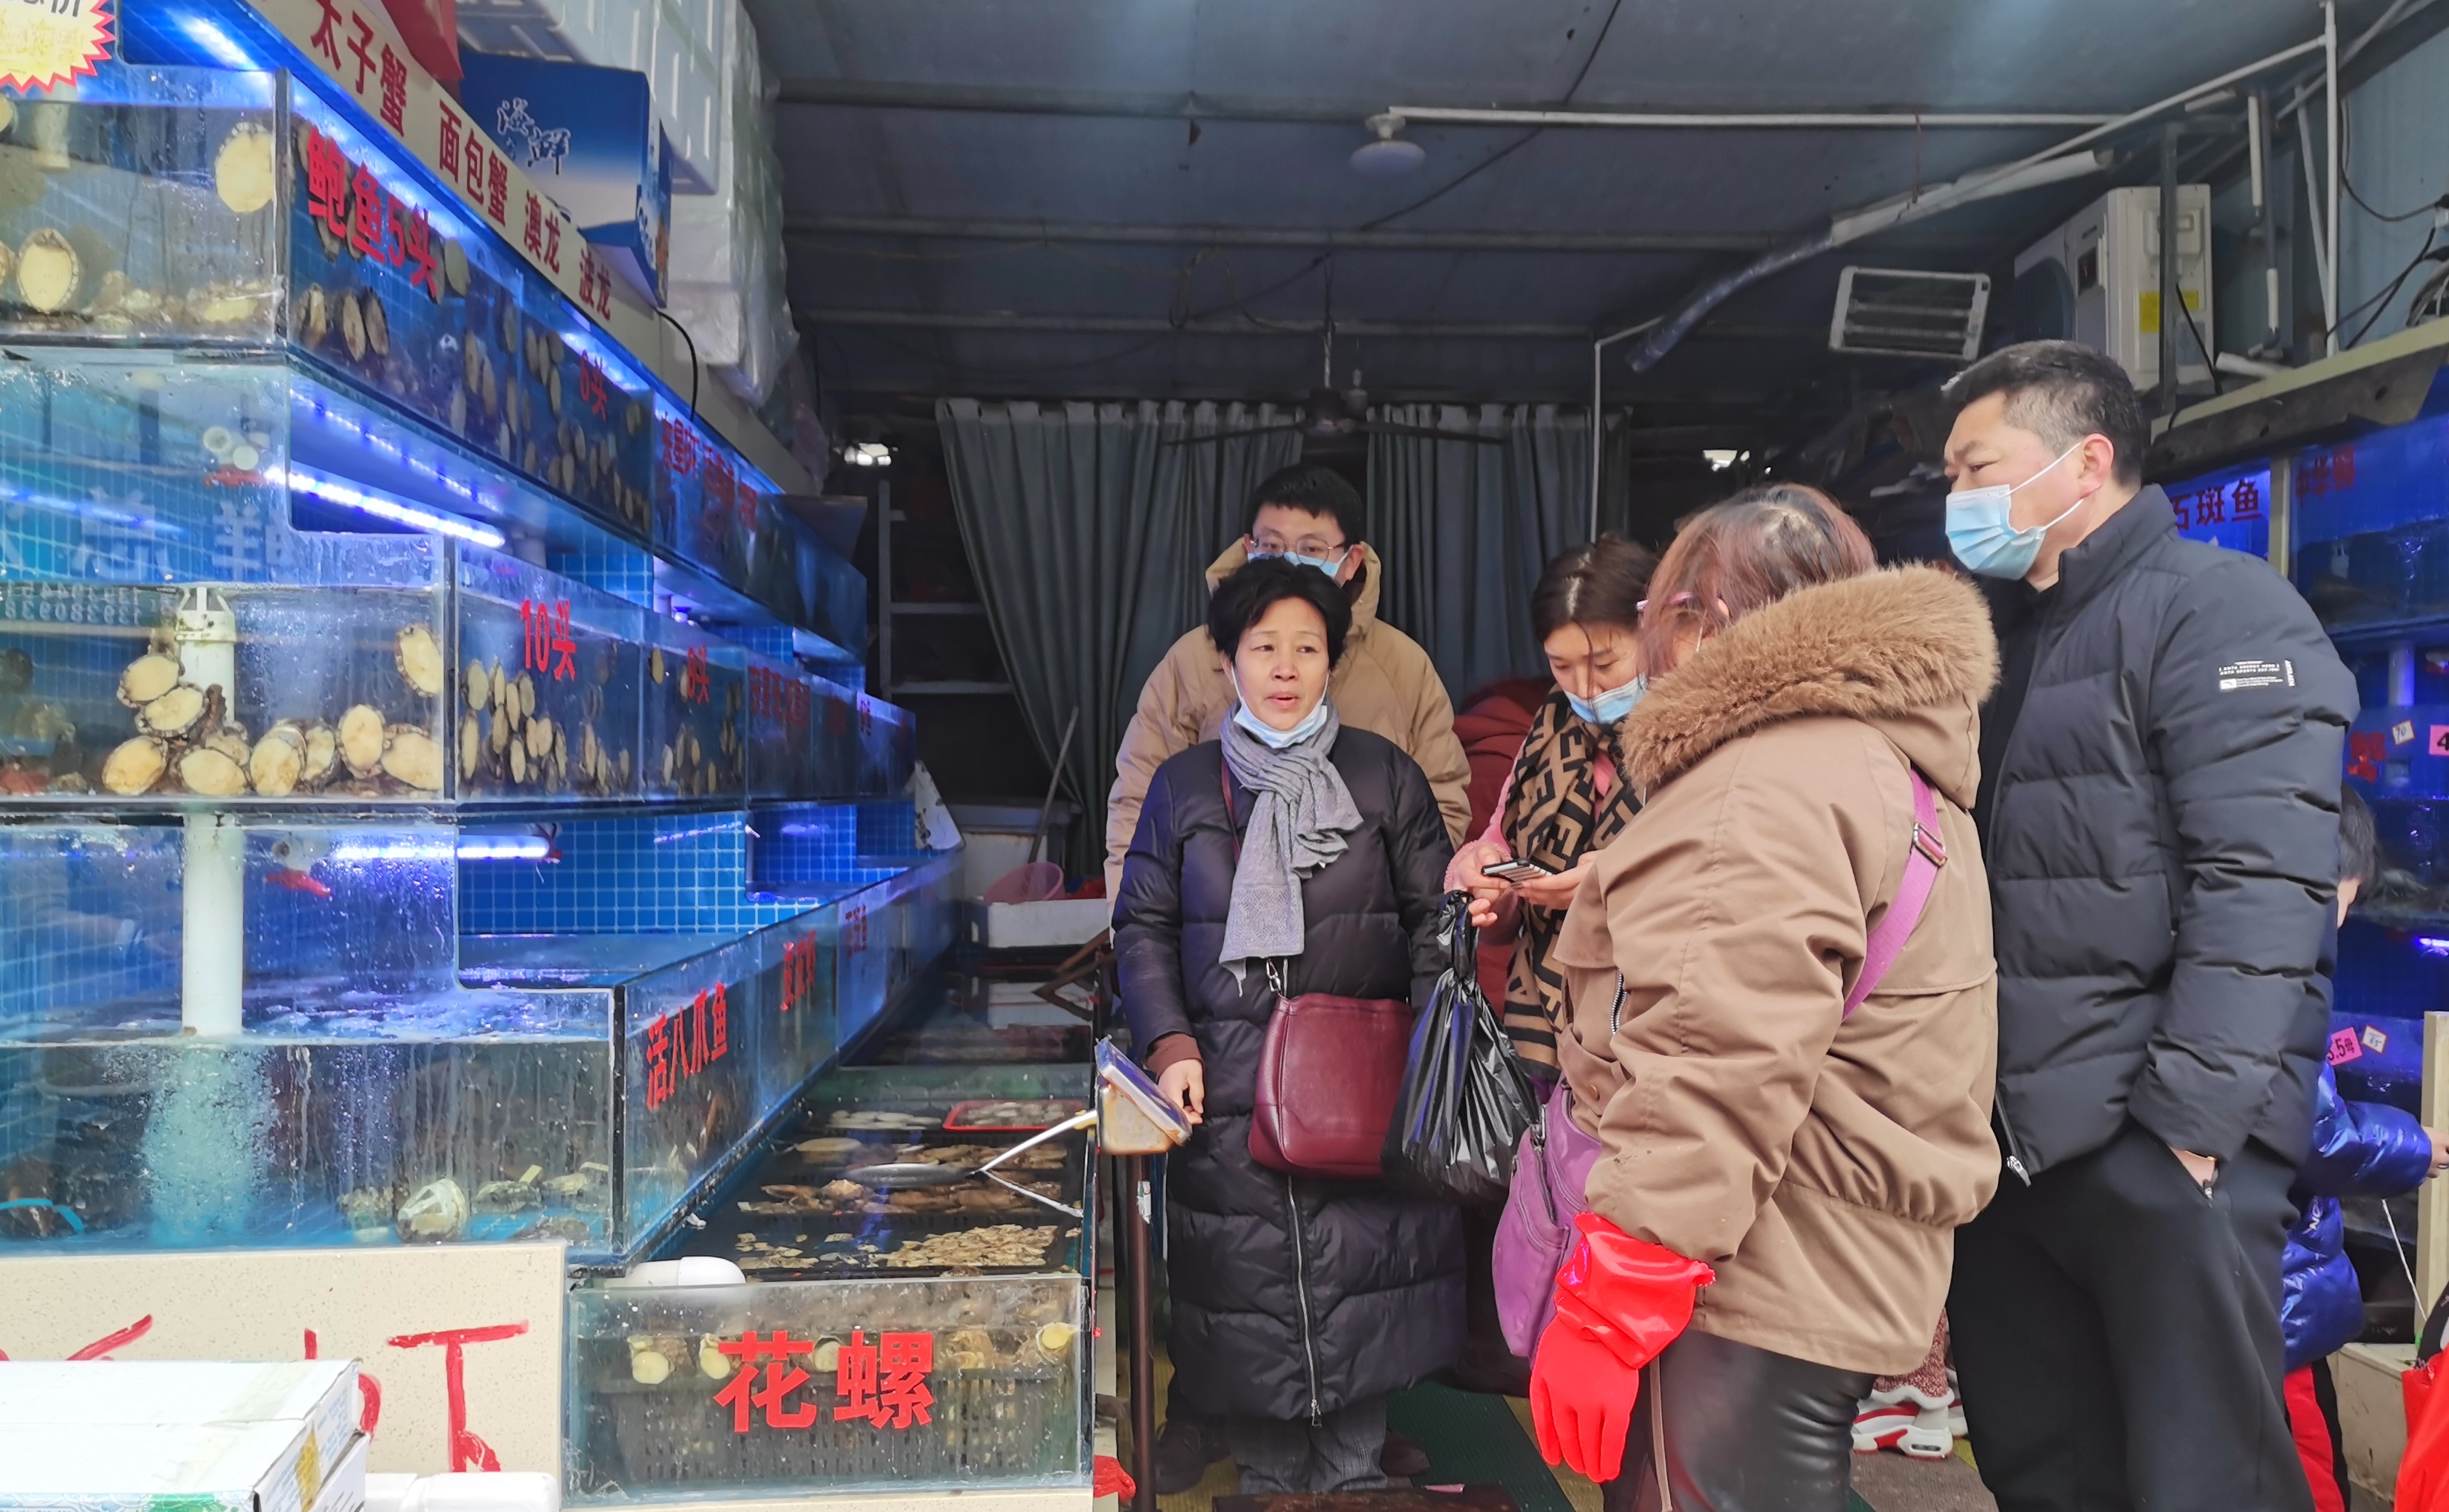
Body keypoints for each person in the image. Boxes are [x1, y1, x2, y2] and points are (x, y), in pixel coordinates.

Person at [1938, 340, 2357, 1512]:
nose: (1956, 496)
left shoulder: (2216, 609)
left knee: (2197, 1476)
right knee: (2043, 1465)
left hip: (2155, 1142)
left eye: (1976, 467)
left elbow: (2259, 885)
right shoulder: (1996, 641)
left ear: (2085, 461)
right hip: (2011, 1144)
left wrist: (2186, 1132)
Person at [1528, 485, 2003, 1511]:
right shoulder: (1884, 754)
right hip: (1826, 1252)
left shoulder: (1764, 778)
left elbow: (1713, 1060)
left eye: (1654, 615)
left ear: (1707, 620)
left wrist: (1612, 1301)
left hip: (1744, 1273)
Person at [1113, 556, 1462, 1495]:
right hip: (1225, 1082)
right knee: (1247, 1294)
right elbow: (1142, 927)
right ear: (1227, 657)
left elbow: (1436, 923)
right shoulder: (1184, 786)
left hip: (1361, 1084)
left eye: (1306, 647)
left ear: (1330, 661)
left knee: (1359, 1288)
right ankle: (1267, 1486)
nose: (1284, 666)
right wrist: (1168, 1043)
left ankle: (1353, 1478)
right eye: (1263, 645)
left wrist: (1427, 1050)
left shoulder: (1383, 775)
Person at [1106, 464, 1472, 908]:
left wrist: (1389, 915)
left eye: (1311, 549)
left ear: (1351, 561)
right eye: (1272, 546)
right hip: (1212, 927)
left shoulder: (1404, 668)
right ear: (1249, 548)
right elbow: (1137, 804)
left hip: (1361, 930)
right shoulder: (1193, 661)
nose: (1288, 563)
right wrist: (1130, 927)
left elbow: (1441, 807)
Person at [2284, 788, 2449, 1512]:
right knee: (2306, 1473)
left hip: (2258, 1295)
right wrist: (2419, 1145)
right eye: (2343, 900)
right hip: (2278, 1305)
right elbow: (2316, 1134)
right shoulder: (2281, 975)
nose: (2342, 920)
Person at [1448, 536, 1658, 1072]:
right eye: (1561, 666)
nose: (1585, 688)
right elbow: (1499, 848)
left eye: (1604, 662)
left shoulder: (1698, 737)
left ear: (1654, 632)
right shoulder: (1546, 736)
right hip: (1547, 1037)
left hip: (1653, 1027)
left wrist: (1611, 882)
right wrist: (1486, 882)